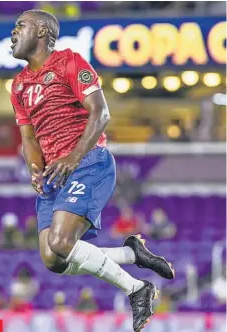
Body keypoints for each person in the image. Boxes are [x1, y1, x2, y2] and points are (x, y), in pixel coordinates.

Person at [10, 9, 175, 331]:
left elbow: (100, 114)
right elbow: (28, 137)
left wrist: (73, 156)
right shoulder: (18, 86)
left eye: (21, 26)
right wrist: (34, 168)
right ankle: (132, 255)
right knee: (53, 260)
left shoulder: (70, 62)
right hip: (53, 175)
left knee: (60, 242)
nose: (13, 33)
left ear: (42, 31)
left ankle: (137, 289)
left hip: (87, 163)